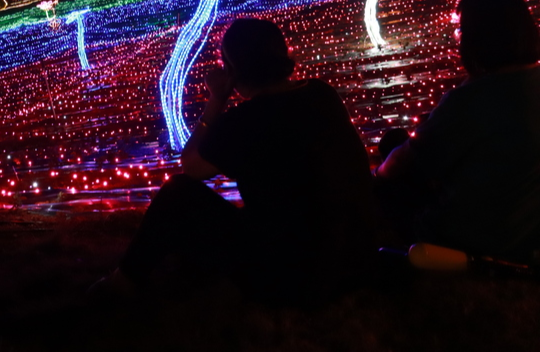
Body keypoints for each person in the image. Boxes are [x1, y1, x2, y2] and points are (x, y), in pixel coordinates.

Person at [102, 18, 376, 302]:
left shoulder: (245, 122)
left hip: (293, 277)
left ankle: (125, 280)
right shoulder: (322, 93)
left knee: (177, 193)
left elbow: (191, 166)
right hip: (355, 257)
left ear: (233, 69)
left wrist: (216, 101)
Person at [377, 0, 540, 262]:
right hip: (530, 232)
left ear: (477, 40)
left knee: (393, 157)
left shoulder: (469, 100)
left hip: (479, 240)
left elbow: (394, 169)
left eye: (461, 31)